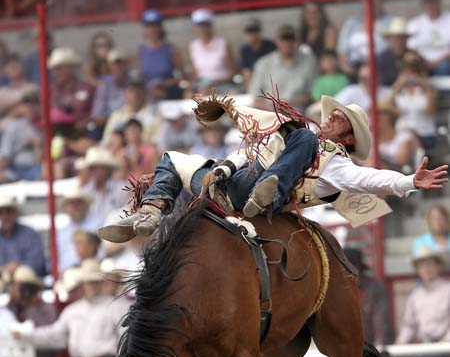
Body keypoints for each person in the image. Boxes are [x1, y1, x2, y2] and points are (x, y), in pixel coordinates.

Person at [98, 94, 448, 243]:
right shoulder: (295, 137)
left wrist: (408, 181)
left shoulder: (336, 163)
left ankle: (266, 193)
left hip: (257, 193)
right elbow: (251, 151)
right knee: (171, 159)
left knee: (305, 139)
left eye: (341, 119)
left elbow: (369, 178)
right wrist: (223, 168)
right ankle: (150, 213)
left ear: (349, 139)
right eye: (334, 113)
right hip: (232, 182)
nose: (331, 117)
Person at [396, 247, 450, 357]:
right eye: (422, 266)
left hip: (445, 351)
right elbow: (409, 326)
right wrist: (399, 344)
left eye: (429, 264)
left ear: (438, 267)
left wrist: (446, 341)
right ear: (418, 270)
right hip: (421, 349)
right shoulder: (415, 295)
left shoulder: (448, 289)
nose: (426, 269)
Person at [249, 24, 318, 111]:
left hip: (299, 113)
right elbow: (256, 98)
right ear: (276, 41)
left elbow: (313, 94)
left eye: (291, 39)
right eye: (284, 39)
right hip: (270, 113)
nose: (287, 43)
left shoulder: (309, 61)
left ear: (297, 41)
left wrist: (288, 106)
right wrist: (274, 109)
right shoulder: (263, 63)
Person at [6, 264, 56, 357]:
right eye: (20, 287)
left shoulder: (45, 309)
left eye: (27, 287)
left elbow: (51, 335)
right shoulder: (10, 309)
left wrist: (32, 306)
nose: (25, 292)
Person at [343, 247, 393, 345]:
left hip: (369, 346)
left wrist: (376, 350)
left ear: (359, 268)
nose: (346, 272)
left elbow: (380, 323)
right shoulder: (335, 290)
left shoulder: (375, 288)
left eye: (351, 266)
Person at [390, 50, 437, 153]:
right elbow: (388, 112)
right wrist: (396, 88)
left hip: (424, 134)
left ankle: (416, 159)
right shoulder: (398, 90)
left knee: (408, 136)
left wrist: (426, 88)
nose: (411, 71)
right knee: (405, 136)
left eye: (414, 67)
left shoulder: (428, 90)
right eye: (407, 67)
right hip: (400, 133)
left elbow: (431, 111)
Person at [138, 8, 187, 100]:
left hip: (169, 95)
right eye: (149, 26)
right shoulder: (141, 51)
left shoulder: (171, 50)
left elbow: (183, 77)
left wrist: (165, 84)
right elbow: (140, 77)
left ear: (160, 28)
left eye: (155, 26)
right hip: (148, 97)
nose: (152, 29)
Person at [188, 9, 237, 93]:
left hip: (222, 84)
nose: (202, 29)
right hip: (202, 86)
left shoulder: (223, 43)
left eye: (205, 25)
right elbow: (195, 74)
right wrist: (190, 88)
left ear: (210, 26)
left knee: (232, 95)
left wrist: (214, 83)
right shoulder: (193, 46)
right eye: (199, 25)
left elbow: (233, 72)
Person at [101, 77, 161, 145]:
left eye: (139, 90)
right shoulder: (116, 115)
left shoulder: (155, 114)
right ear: (125, 94)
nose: (135, 94)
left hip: (146, 152)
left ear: (145, 93)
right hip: (117, 152)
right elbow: (106, 140)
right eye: (131, 90)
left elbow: (158, 141)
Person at [48, 47, 95, 132]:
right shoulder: (52, 91)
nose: (55, 72)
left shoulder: (86, 88)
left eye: (59, 68)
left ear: (70, 68)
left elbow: (95, 114)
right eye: (54, 69)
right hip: (57, 133)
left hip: (82, 134)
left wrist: (82, 124)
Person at [407, 0, 450, 76]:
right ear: (422, 4)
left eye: (432, 1)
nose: (429, 5)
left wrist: (435, 62)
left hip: (444, 63)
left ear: (439, 1)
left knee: (445, 67)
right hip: (421, 64)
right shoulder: (414, 24)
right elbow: (410, 49)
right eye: (426, 2)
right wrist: (422, 62)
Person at [0, 91, 42, 182]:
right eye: (26, 105)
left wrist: (37, 145)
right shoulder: (14, 127)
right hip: (14, 169)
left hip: (34, 169)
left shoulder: (43, 127)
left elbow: (40, 161)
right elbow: (5, 154)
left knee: (42, 174)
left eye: (33, 105)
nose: (29, 108)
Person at [0, 194, 46, 277]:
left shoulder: (30, 234)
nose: (5, 216)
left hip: (25, 282)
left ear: (15, 213)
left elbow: (37, 264)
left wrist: (18, 267)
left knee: (22, 274)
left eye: (9, 211)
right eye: (1, 212)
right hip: (3, 280)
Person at [79, 146, 127, 226]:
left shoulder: (121, 188)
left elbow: (126, 213)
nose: (97, 171)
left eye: (101, 168)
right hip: (92, 233)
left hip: (115, 230)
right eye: (94, 168)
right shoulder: (86, 191)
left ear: (109, 170)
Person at [57, 187, 100, 272]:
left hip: (91, 271)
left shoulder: (97, 226)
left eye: (79, 203)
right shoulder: (60, 232)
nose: (75, 207)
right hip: (65, 274)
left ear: (86, 206)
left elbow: (101, 254)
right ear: (65, 208)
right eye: (71, 204)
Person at [91, 49, 130, 132]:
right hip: (111, 127)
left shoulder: (135, 83)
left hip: (132, 125)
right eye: (115, 64)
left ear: (126, 64)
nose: (118, 67)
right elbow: (97, 115)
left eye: (121, 63)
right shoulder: (104, 85)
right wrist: (114, 118)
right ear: (109, 66)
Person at [239, 17, 276, 91]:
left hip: (271, 82)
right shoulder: (245, 50)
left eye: (254, 31)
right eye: (249, 31)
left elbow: (275, 70)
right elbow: (246, 73)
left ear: (260, 31)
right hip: (254, 84)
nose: (252, 34)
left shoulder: (271, 46)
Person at [377, 18, 411, 86]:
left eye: (402, 39)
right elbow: (383, 81)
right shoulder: (381, 59)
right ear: (389, 40)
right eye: (396, 39)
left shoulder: (414, 55)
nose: (399, 42)